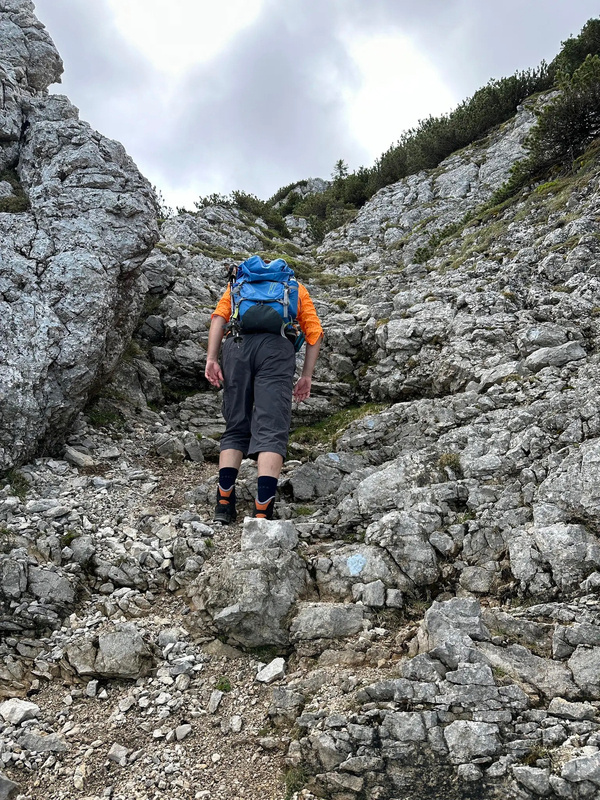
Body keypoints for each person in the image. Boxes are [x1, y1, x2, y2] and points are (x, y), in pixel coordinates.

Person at [205, 258, 323, 523]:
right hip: (276, 351)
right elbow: (314, 333)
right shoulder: (294, 288)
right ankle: (262, 511)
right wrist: (306, 375)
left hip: (237, 347)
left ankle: (223, 505)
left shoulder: (239, 283)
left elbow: (219, 318)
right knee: (271, 428)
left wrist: (211, 358)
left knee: (236, 425)